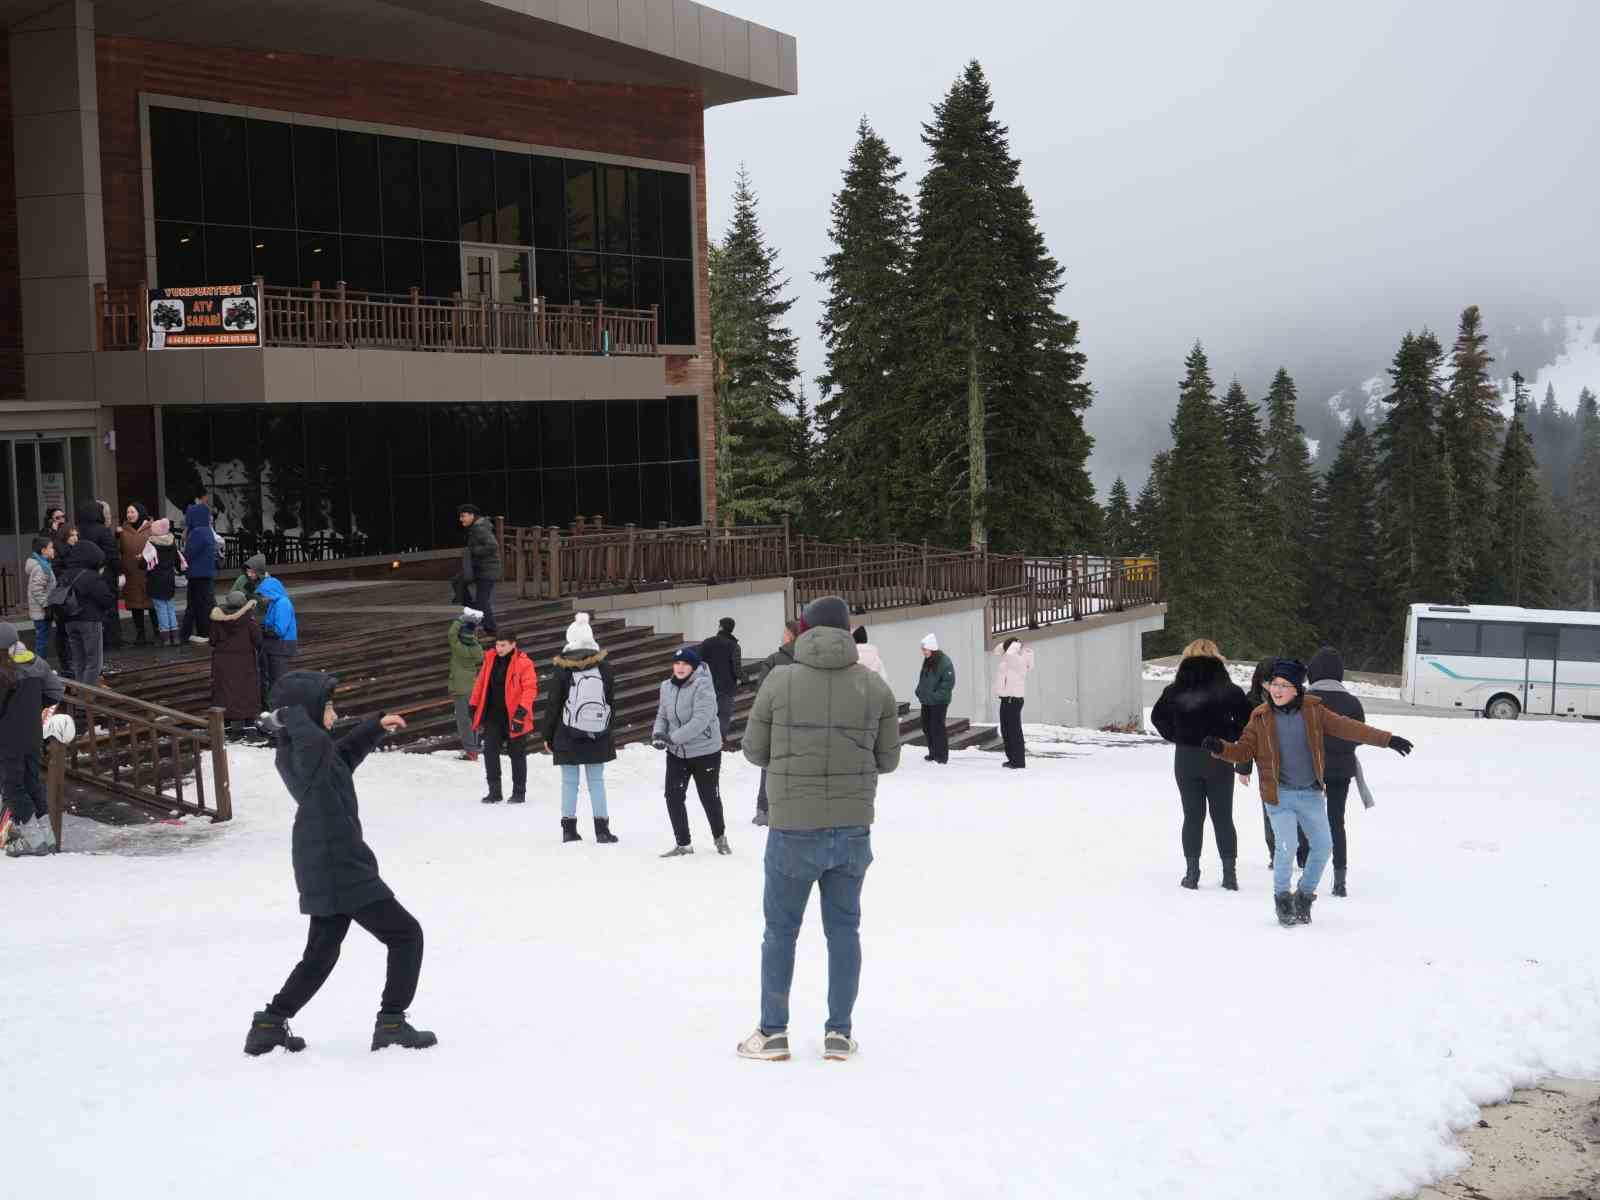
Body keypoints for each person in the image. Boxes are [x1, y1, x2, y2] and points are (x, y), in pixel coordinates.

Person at [737, 595, 901, 1063]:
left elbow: (753, 750)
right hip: (851, 829)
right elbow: (887, 760)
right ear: (848, 632)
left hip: (792, 827)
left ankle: (772, 1033)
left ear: (804, 630)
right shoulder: (874, 687)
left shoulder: (778, 680)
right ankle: (839, 1033)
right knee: (844, 931)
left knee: (780, 933)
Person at [245, 671, 434, 1055]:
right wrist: (285, 715)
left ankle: (269, 1024)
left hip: (324, 859)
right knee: (406, 934)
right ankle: (392, 1022)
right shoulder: (306, 745)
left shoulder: (310, 753)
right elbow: (315, 737)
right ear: (307, 710)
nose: (333, 712)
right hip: (338, 862)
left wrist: (373, 727)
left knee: (321, 954)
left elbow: (342, 759)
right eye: (328, 705)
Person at [1203, 658, 1414, 927]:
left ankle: (1303, 895)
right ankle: (1282, 899)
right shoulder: (1260, 717)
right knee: (1287, 845)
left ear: (1297, 689)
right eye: (1274, 685)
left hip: (1311, 794)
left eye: (1283, 685)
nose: (1276, 691)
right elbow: (1244, 750)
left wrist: (1388, 739)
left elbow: (1349, 727)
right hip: (1279, 795)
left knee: (1324, 846)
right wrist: (1221, 748)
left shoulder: (1314, 712)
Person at [1150, 639, 1253, 891]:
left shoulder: (1174, 690)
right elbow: (1248, 720)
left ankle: (1192, 873)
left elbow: (1157, 717)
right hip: (1219, 756)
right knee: (1223, 816)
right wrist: (1228, 736)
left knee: (1192, 816)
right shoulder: (1229, 690)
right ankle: (1230, 875)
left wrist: (1178, 735)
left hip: (1186, 758)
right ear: (1218, 657)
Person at [538, 613, 619, 845]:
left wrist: (548, 734)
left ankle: (568, 830)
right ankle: (602, 830)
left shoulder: (563, 669)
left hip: (567, 731)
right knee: (597, 781)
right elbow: (611, 701)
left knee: (569, 782)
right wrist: (606, 727)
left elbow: (554, 704)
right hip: (597, 731)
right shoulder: (604, 667)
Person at [1304, 646, 1374, 899]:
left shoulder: (1304, 700)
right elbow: (1360, 735)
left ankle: (1305, 866)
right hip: (1342, 769)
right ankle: (1340, 878)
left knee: (1306, 818)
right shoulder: (1352, 702)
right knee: (1336, 821)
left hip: (1309, 768)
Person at [651, 646, 728, 857]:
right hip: (677, 753)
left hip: (705, 751)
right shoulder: (666, 686)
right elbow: (662, 715)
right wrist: (658, 734)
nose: (680, 667)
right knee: (673, 796)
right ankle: (683, 844)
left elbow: (700, 721)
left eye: (685, 664)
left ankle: (720, 838)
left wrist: (672, 738)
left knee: (709, 796)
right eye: (677, 663)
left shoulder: (704, 686)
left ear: (693, 667)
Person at [0, 622, 66, 858]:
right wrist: (33, 706)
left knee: (12, 787)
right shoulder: (36, 663)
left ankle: (33, 841)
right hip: (32, 735)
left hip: (8, 738)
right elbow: (56, 692)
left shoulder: (3, 670)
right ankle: (47, 839)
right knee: (32, 784)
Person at [469, 629, 536, 804]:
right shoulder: (490, 659)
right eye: (497, 644)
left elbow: (530, 689)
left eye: (503, 645)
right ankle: (494, 792)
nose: (499, 648)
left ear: (513, 644)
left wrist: (521, 712)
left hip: (515, 717)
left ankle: (519, 793)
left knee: (517, 754)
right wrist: (473, 704)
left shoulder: (524, 663)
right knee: (490, 752)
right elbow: (481, 684)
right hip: (493, 716)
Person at [752, 620, 801, 826]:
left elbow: (762, 694)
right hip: (803, 721)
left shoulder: (774, 660)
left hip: (777, 721)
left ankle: (765, 809)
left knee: (770, 765)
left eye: (784, 632)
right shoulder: (811, 660)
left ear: (790, 635)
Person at [54, 538, 115, 687]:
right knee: (94, 663)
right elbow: (106, 599)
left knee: (79, 661)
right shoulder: (91, 576)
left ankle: (80, 699)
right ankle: (86, 702)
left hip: (69, 621)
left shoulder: (65, 575)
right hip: (90, 621)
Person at [208, 590, 263, 738]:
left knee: (223, 690)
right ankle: (249, 724)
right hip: (244, 660)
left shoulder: (218, 618)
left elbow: (212, 640)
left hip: (222, 661)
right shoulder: (249, 618)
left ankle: (224, 725)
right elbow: (258, 640)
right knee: (247, 689)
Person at [75, 501, 121, 651]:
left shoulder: (78, 530)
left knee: (90, 608)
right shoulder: (103, 531)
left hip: (83, 576)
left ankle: (94, 641)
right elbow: (112, 554)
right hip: (104, 575)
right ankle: (112, 640)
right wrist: (118, 571)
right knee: (109, 607)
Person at [179, 491, 219, 645]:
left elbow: (189, 554)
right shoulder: (207, 531)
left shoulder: (197, 532)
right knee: (205, 602)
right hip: (205, 574)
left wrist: (182, 554)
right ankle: (205, 632)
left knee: (197, 604)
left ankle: (203, 632)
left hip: (197, 575)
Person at [447, 607, 485, 762]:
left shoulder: (458, 649)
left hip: (460, 688)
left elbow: (451, 634)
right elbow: (472, 640)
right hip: (472, 687)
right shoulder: (477, 650)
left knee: (464, 722)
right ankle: (474, 747)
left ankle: (470, 752)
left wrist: (461, 619)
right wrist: (472, 628)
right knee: (472, 719)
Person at [457, 505, 502, 635]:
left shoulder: (480, 529)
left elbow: (493, 546)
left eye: (463, 516)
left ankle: (491, 629)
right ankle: (474, 621)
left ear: (472, 515)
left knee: (482, 600)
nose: (461, 519)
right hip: (479, 568)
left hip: (487, 570)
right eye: (460, 516)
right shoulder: (475, 528)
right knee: (458, 583)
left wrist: (474, 551)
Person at [992, 636, 1035, 769]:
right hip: (1006, 699)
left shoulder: (1019, 660)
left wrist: (1015, 644)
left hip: (1013, 700)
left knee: (1014, 731)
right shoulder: (1010, 658)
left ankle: (1018, 761)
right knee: (1006, 731)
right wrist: (1007, 645)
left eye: (1008, 647)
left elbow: (1009, 654)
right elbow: (997, 651)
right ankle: (1012, 758)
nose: (1005, 650)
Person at [697, 616, 742, 741]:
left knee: (708, 714)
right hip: (726, 688)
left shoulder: (707, 642)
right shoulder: (734, 646)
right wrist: (745, 679)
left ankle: (706, 739)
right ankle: (720, 740)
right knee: (723, 715)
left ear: (720, 627)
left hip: (707, 685)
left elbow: (699, 664)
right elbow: (737, 669)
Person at [256, 571, 299, 700]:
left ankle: (279, 705)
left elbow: (279, 630)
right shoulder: (274, 603)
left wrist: (262, 631)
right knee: (272, 677)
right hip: (275, 645)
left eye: (264, 594)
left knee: (278, 679)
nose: (262, 598)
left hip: (282, 646)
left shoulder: (282, 604)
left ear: (271, 592)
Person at [141, 518, 183, 647]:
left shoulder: (151, 544)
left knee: (161, 609)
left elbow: (143, 563)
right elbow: (177, 562)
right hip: (169, 580)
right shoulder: (172, 543)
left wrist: (140, 559)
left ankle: (165, 638)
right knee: (170, 607)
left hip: (156, 581)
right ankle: (175, 637)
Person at [914, 634, 955, 764]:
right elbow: (924, 678)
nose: (923, 652)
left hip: (939, 702)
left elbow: (948, 683)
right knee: (927, 726)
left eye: (925, 649)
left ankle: (941, 756)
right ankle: (933, 752)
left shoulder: (945, 662)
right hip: (927, 700)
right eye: (923, 650)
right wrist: (919, 691)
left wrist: (935, 696)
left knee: (937, 728)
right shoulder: (928, 660)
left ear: (932, 648)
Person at [118, 504, 154, 647]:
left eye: (132, 512)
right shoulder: (123, 531)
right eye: (127, 512)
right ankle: (140, 636)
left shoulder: (151, 528)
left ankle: (158, 633)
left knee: (152, 606)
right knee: (135, 606)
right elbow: (118, 550)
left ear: (140, 512)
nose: (129, 514)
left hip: (148, 574)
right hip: (131, 574)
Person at [25, 537, 55, 663]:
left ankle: (41, 667)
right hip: (41, 612)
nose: (53, 550)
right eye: (51, 547)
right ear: (43, 550)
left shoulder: (44, 564)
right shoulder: (41, 567)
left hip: (40, 611)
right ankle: (40, 668)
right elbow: (36, 589)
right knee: (42, 641)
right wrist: (46, 605)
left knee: (42, 639)